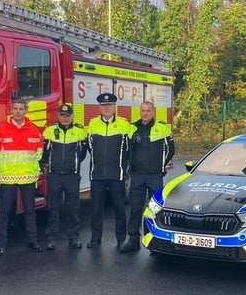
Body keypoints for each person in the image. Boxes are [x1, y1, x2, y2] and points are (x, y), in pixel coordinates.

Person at [0, 99, 44, 255]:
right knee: (4, 211)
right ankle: (0, 244)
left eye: (21, 108)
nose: (18, 111)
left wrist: (27, 167)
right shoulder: (0, 129)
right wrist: (6, 165)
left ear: (26, 111)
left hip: (27, 176)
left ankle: (32, 242)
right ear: (11, 110)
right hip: (8, 176)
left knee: (30, 211)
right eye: (15, 108)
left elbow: (38, 152)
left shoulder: (34, 130)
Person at [86, 92, 135, 248]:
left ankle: (121, 239)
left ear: (114, 107)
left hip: (117, 174)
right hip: (97, 174)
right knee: (96, 209)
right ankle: (95, 239)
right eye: (103, 106)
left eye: (109, 105)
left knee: (119, 208)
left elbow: (129, 149)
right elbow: (89, 147)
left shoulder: (124, 124)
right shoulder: (92, 124)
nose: (106, 108)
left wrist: (125, 167)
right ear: (99, 108)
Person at [123, 101, 175, 252]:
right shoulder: (132, 128)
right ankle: (133, 240)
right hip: (137, 175)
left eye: (148, 111)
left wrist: (161, 167)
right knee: (135, 208)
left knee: (156, 210)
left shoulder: (162, 128)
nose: (145, 113)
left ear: (153, 112)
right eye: (142, 110)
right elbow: (126, 150)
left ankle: (157, 243)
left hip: (154, 176)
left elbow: (171, 150)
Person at [41, 103, 87, 250]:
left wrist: (73, 165)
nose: (65, 118)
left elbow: (82, 154)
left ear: (72, 116)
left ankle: (73, 238)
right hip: (54, 176)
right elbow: (44, 154)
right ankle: (52, 238)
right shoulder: (49, 131)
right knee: (53, 207)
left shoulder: (80, 132)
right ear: (58, 116)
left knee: (73, 208)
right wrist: (46, 166)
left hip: (72, 176)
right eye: (62, 115)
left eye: (68, 116)